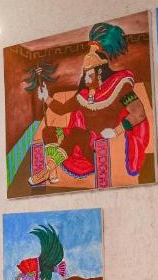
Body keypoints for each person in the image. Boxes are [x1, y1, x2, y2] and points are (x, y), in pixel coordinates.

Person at [30, 22, 150, 185]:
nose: (85, 77)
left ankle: (46, 170)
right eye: (85, 73)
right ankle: (52, 172)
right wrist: (46, 97)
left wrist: (116, 131)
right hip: (82, 140)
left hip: (99, 142)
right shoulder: (84, 96)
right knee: (49, 131)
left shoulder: (119, 87)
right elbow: (61, 109)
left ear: (100, 72)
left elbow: (139, 113)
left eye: (89, 73)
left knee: (77, 133)